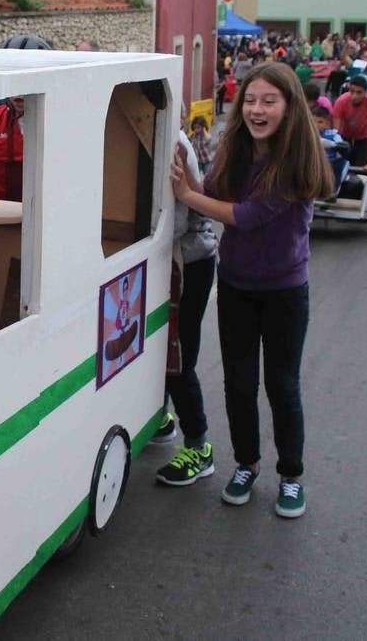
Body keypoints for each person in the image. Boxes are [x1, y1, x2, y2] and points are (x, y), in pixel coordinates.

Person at [169, 62, 335, 518]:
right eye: (251, 100)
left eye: (269, 101)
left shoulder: (296, 160)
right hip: (237, 286)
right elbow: (214, 192)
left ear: (290, 106)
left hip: (284, 292)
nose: (257, 110)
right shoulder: (236, 147)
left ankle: (291, 475)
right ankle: (246, 464)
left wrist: (187, 195)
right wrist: (186, 171)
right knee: (238, 384)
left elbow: (244, 215)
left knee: (282, 386)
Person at [151, 132, 218, 484]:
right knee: (150, 344)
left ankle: (199, 446)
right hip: (160, 258)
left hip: (188, 260)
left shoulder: (172, 141)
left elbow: (174, 221)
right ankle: (158, 418)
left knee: (178, 354)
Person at [332, 76, 367, 168]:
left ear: (366, 92)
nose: (354, 96)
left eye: (359, 92)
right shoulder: (341, 101)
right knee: (342, 166)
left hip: (363, 136)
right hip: (345, 136)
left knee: (362, 168)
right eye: (352, 91)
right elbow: (335, 132)